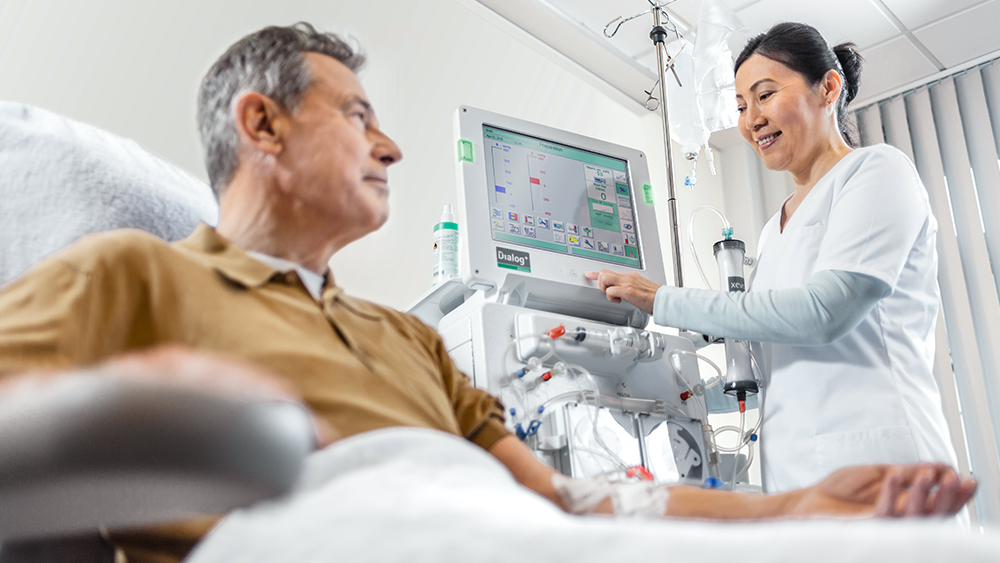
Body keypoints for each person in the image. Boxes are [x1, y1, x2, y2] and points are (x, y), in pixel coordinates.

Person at [0, 23, 975, 563]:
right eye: (359, 116)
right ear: (263, 125)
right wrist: (138, 407)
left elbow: (567, 495)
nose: (391, 145)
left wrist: (791, 508)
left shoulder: (406, 338)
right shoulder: (130, 273)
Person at [587, 22, 959, 495]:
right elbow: (774, 349)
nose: (751, 120)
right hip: (795, 473)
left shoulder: (877, 172)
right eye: (741, 106)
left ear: (828, 87)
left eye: (764, 95)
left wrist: (662, 298)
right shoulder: (773, 230)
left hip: (884, 464)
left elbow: (822, 313)